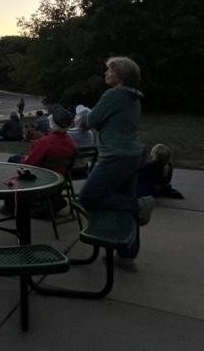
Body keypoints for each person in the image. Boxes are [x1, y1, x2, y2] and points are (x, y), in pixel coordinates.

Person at [77, 57, 155, 272]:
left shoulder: (115, 94)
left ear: (121, 74)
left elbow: (93, 120)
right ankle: (126, 257)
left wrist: (83, 116)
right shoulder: (133, 97)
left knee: (89, 196)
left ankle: (139, 205)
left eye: (109, 70)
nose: (105, 74)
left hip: (116, 157)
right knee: (123, 202)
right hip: (134, 154)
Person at [0, 106, 77, 217]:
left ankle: (11, 205)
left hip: (41, 180)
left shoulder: (45, 143)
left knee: (13, 160)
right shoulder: (71, 142)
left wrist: (22, 159)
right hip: (59, 180)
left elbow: (28, 165)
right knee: (16, 158)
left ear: (52, 122)